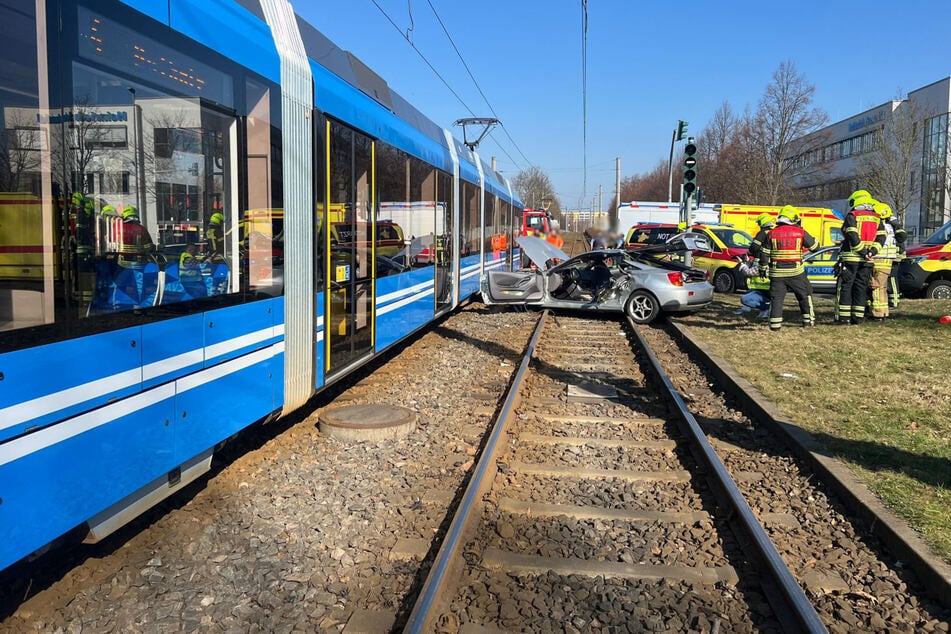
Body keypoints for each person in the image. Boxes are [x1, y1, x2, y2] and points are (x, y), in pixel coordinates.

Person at [760, 205, 817, 330]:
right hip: (796, 272)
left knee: (777, 300)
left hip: (777, 274)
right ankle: (808, 322)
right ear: (794, 219)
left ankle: (775, 326)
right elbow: (815, 248)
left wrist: (762, 269)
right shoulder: (800, 232)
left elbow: (764, 253)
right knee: (804, 295)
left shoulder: (771, 233)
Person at [835, 190, 883, 326]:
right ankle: (858, 317)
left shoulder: (852, 215)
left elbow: (852, 235)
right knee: (861, 287)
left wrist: (862, 251)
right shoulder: (877, 217)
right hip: (867, 260)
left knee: (846, 287)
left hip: (851, 258)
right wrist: (871, 252)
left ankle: (844, 318)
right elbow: (881, 237)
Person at [869, 201, 901, 320]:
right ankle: (884, 312)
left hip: (878, 260)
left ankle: (877, 314)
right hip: (888, 261)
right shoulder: (891, 227)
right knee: (882, 288)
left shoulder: (879, 227)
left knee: (876, 287)